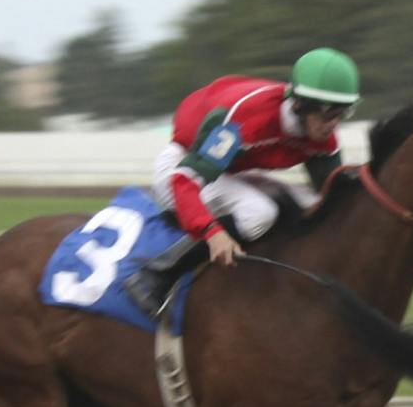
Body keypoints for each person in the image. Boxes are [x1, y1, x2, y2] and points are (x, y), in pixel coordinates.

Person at [120, 47, 360, 315]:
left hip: (229, 171)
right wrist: (212, 232)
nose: (334, 125)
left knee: (309, 202)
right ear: (299, 104)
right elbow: (183, 182)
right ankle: (154, 275)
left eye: (343, 113)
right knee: (259, 212)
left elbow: (332, 195)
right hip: (181, 166)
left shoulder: (322, 137)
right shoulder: (243, 121)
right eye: (328, 113)